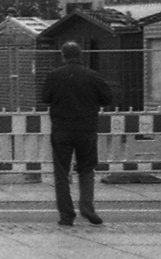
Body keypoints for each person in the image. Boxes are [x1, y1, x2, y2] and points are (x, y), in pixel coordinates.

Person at [42, 41, 113, 227]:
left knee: (61, 173)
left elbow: (45, 98)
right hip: (87, 130)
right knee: (87, 169)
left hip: (62, 130)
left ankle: (66, 215)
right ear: (80, 55)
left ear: (63, 55)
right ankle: (87, 207)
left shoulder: (54, 76)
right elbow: (107, 99)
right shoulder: (93, 76)